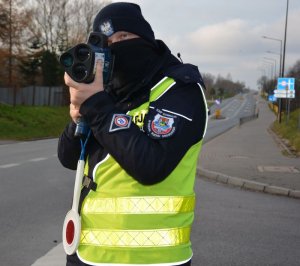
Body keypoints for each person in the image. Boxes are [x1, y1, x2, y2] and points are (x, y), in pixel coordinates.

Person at [58, 2, 208, 266]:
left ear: (147, 40)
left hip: (155, 259)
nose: (115, 44)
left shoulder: (179, 91)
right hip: (88, 254)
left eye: (123, 37)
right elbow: (68, 158)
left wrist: (98, 107)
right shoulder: (109, 94)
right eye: (106, 41)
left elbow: (150, 166)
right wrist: (79, 117)